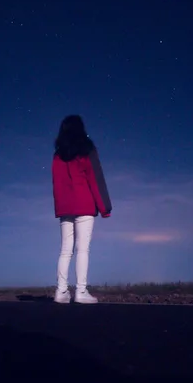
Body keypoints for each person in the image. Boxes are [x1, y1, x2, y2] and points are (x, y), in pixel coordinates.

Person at [51, 115, 112, 304]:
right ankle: (81, 291)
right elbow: (96, 178)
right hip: (84, 205)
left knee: (65, 250)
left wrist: (60, 206)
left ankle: (61, 292)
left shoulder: (58, 155)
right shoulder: (87, 150)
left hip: (66, 207)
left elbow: (57, 184)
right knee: (82, 249)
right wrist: (105, 208)